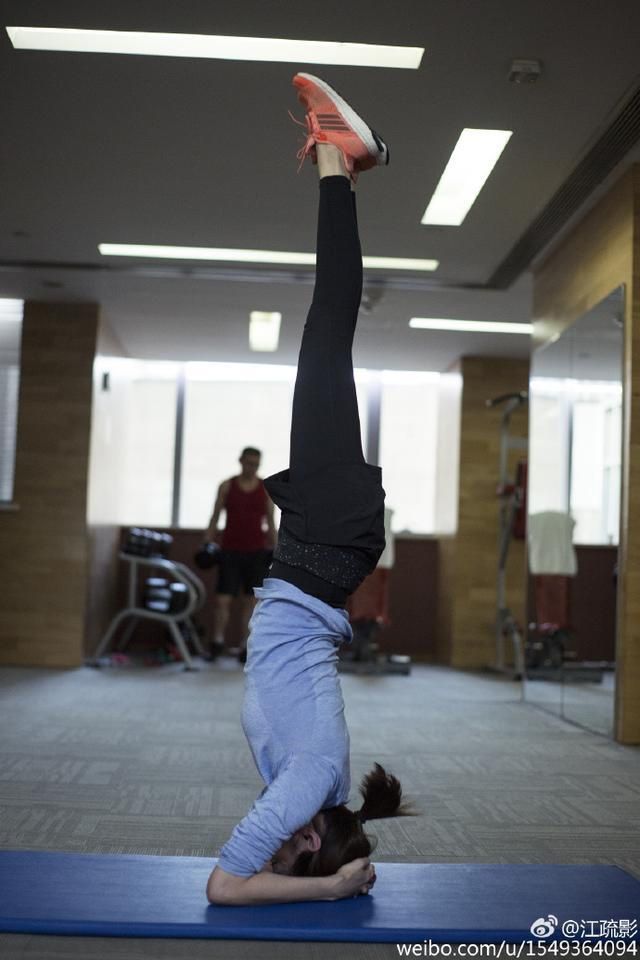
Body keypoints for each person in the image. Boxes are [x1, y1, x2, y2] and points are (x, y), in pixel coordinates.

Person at [206, 73, 408, 907]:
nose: (276, 848)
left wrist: (331, 873)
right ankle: (339, 158)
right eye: (295, 857)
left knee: (326, 334)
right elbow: (226, 886)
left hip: (320, 553)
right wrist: (325, 892)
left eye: (281, 859)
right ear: (315, 839)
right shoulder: (310, 788)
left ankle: (343, 165)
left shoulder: (306, 789)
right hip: (323, 547)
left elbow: (261, 863)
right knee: (328, 328)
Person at [204, 447, 276, 661]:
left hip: (256, 553)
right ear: (240, 461)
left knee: (251, 602)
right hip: (230, 551)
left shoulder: (265, 490)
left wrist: (278, 549)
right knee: (222, 601)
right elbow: (215, 516)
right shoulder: (227, 486)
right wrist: (206, 542)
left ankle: (246, 645)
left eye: (255, 464)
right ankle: (217, 642)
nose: (251, 467)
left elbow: (271, 522)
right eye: (248, 462)